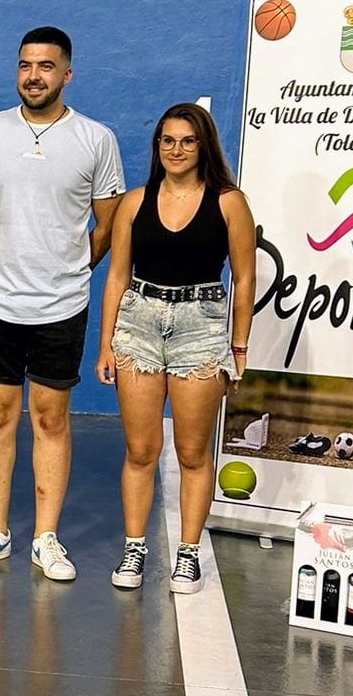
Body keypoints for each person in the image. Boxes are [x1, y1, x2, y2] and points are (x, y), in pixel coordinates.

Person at [0, 27, 124, 579]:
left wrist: (70, 269)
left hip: (61, 305)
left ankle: (46, 538)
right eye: (26, 65)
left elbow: (107, 225)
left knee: (51, 418)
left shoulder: (96, 139)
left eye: (46, 66)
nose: (34, 76)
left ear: (67, 74)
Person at [95, 103, 255, 593]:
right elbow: (116, 276)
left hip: (200, 329)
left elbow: (245, 277)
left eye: (187, 141)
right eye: (167, 140)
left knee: (191, 451)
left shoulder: (229, 203)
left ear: (203, 146)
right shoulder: (134, 202)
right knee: (141, 450)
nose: (176, 149)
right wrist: (106, 345)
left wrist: (238, 347)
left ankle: (188, 554)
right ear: (157, 146)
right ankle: (134, 549)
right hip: (138, 324)